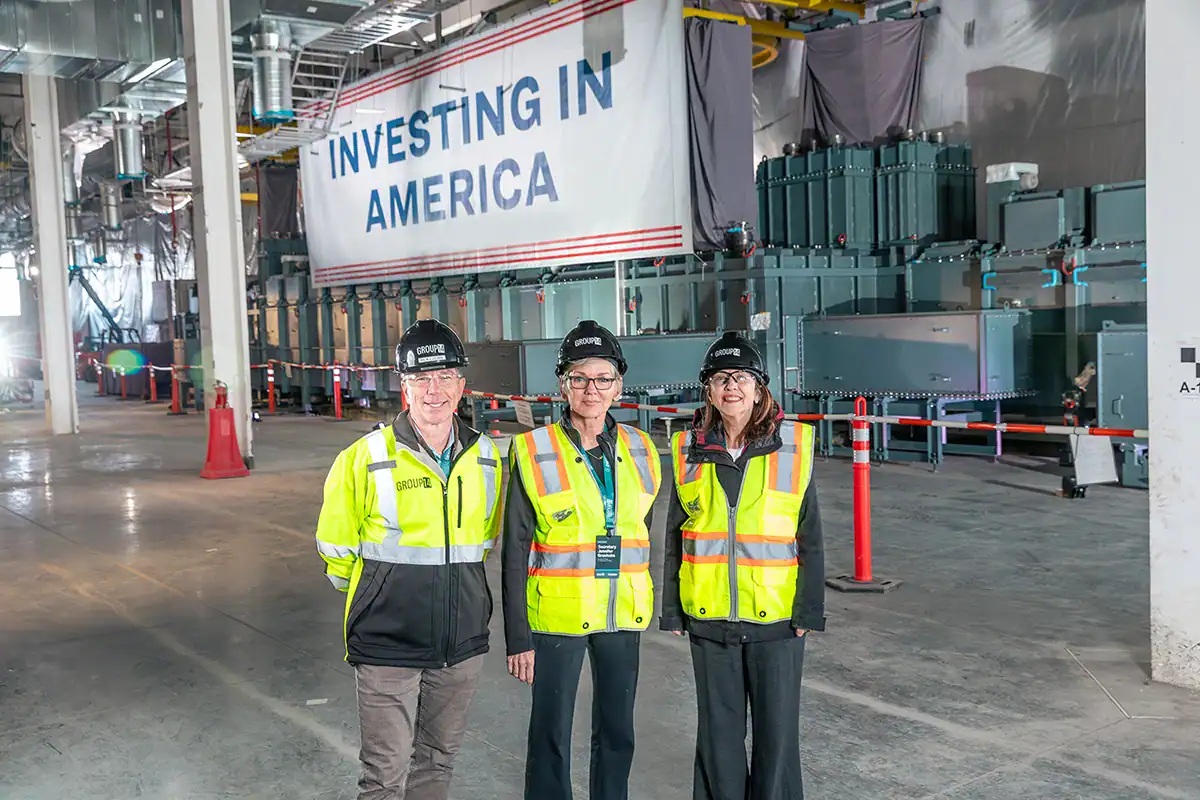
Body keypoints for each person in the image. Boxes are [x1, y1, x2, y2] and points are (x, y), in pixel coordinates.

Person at [315, 319, 503, 800]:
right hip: (387, 643)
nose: (433, 390)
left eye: (444, 377)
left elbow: (483, 541)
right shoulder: (364, 457)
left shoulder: (486, 457)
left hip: (460, 642)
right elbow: (336, 551)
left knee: (438, 762)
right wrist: (384, 593)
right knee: (384, 774)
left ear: (461, 384)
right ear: (404, 385)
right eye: (421, 378)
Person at [660, 331, 826, 800]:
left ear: (759, 389)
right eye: (720, 378)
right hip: (709, 618)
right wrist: (672, 610)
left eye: (741, 377)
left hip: (777, 620)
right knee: (719, 739)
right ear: (709, 391)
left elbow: (810, 535)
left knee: (777, 738)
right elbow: (676, 534)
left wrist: (808, 610)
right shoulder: (688, 449)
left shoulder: (792, 446)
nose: (731, 386)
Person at [502, 320, 662, 800]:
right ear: (563, 385)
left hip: (621, 611)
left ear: (619, 386)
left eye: (602, 378)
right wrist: (518, 638)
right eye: (580, 378)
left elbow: (641, 531)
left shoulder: (642, 448)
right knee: (550, 733)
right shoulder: (533, 450)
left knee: (617, 730)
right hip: (558, 614)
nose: (592, 389)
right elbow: (514, 550)